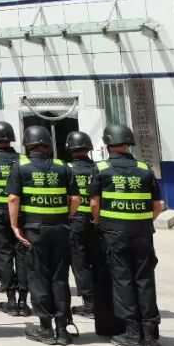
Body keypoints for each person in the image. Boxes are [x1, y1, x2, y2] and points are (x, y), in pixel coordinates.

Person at [88, 124, 164, 346]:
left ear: (108, 143)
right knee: (145, 280)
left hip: (114, 234)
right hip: (143, 233)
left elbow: (94, 204)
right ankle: (149, 336)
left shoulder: (101, 169)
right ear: (128, 143)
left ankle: (132, 334)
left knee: (123, 280)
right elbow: (157, 206)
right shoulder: (144, 169)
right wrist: (142, 221)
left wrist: (99, 222)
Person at [8, 125, 79, 345]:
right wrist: (65, 216)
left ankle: (46, 329)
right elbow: (75, 199)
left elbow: (13, 199)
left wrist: (14, 226)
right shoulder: (63, 166)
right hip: (60, 229)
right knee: (59, 278)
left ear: (27, 145)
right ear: (48, 144)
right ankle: (63, 329)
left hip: (35, 231)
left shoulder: (21, 167)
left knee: (39, 278)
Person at [0, 120, 30, 317]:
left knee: (4, 254)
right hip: (20, 213)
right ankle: (23, 301)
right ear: (11, 138)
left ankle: (11, 300)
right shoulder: (23, 159)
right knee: (22, 255)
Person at [65, 131, 98, 319]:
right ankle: (101, 301)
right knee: (98, 260)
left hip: (76, 221)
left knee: (80, 262)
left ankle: (90, 304)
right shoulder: (98, 168)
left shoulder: (67, 169)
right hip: (97, 221)